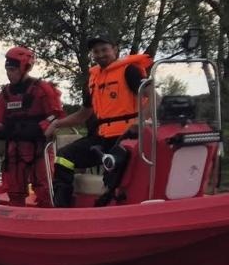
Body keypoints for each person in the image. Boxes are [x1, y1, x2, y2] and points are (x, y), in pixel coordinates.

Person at [45, 33, 154, 208]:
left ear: (115, 50)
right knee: (64, 156)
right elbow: (84, 114)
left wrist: (140, 123)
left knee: (113, 174)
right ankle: (62, 208)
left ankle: (110, 207)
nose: (100, 54)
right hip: (102, 139)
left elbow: (155, 98)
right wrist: (57, 124)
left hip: (126, 139)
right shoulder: (93, 78)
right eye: (96, 52)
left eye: (104, 50)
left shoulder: (129, 71)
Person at [0, 45, 65, 207]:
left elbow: (56, 115)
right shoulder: (5, 93)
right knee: (14, 190)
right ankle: (18, 215)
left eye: (13, 70)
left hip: (39, 147)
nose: (9, 74)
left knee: (44, 188)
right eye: (7, 70)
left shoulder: (42, 89)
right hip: (15, 148)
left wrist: (39, 128)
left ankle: (49, 214)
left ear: (25, 68)